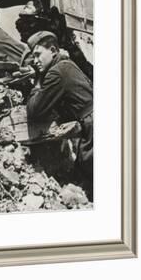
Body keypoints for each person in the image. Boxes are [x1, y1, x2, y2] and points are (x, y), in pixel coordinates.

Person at [26, 30, 93, 199]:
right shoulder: (66, 64)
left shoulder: (56, 72)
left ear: (54, 51)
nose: (35, 61)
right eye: (33, 57)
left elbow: (34, 111)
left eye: (38, 54)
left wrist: (37, 82)